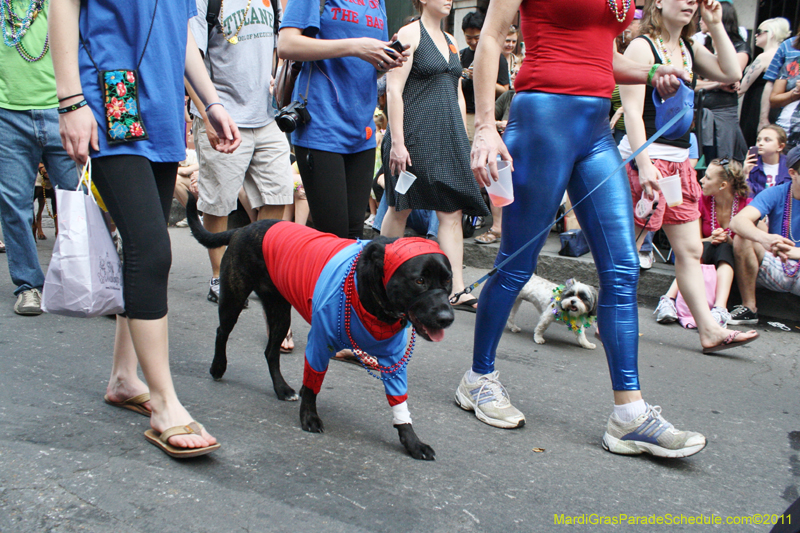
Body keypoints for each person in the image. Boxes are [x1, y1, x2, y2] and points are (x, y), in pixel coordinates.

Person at [460, 0, 738, 459]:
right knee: (517, 263)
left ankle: (629, 415)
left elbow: (599, 54)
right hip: (542, 117)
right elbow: (491, 36)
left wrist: (650, 74)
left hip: (593, 131)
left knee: (624, 267)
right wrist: (485, 126)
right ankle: (478, 378)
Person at [50, 0, 242, 457]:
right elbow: (63, 5)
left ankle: (123, 376)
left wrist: (210, 101)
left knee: (142, 249)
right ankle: (164, 403)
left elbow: (181, 39)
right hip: (108, 96)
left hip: (160, 111)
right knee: (153, 250)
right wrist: (70, 101)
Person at [620, 0, 757, 355]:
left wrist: (714, 24)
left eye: (695, 1)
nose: (690, 4)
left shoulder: (689, 47)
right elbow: (632, 112)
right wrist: (644, 164)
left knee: (692, 248)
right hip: (647, 159)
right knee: (628, 248)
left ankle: (709, 330)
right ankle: (614, 319)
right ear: (659, 2)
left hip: (679, 164)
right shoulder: (641, 45)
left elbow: (731, 72)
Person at [380, 0, 488, 313]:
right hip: (414, 135)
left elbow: (456, 93)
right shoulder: (409, 34)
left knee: (451, 210)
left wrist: (463, 139)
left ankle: (455, 288)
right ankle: (385, 271)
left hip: (448, 136)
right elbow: (393, 91)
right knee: (402, 205)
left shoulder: (453, 41)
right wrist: (398, 142)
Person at [187, 0, 292, 305]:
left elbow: (278, 47)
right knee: (218, 202)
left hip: (266, 115)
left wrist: (277, 78)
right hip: (223, 114)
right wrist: (206, 114)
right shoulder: (205, 2)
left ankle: (255, 268)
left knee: (279, 194)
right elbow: (189, 58)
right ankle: (221, 276)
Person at [277, 0, 406, 240]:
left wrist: (386, 58)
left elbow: (367, 64)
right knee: (332, 236)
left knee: (353, 234)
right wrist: (355, 47)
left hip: (362, 129)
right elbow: (286, 44)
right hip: (321, 123)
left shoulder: (378, 2)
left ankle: (346, 280)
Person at [0, 0, 80, 316]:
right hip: (8, 116)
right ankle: (28, 286)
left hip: (63, 110)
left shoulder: (59, 2)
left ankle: (80, 281)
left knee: (78, 200)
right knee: (14, 204)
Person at [654, 159, 751, 327]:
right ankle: (668, 300)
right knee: (700, 248)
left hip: (730, 257)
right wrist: (710, 239)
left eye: (707, 177)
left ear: (722, 185)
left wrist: (728, 239)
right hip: (702, 252)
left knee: (725, 249)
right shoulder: (701, 201)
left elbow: (752, 242)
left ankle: (720, 308)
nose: (701, 180)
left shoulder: (746, 205)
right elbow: (694, 240)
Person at [730, 145, 800, 321]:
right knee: (742, 237)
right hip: (776, 263)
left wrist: (794, 252)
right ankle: (749, 307)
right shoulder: (778, 192)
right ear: (793, 173)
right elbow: (737, 221)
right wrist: (765, 239)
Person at [694, 0, 749, 161]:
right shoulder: (702, 46)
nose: (700, 20)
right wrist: (717, 83)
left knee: (724, 160)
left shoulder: (740, 46)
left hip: (724, 113)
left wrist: (709, 80)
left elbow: (730, 74)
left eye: (705, 15)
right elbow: (693, 83)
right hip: (699, 111)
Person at [738, 18, 790, 148]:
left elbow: (742, 87)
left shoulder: (764, 57)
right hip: (775, 107)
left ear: (771, 33)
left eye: (760, 31)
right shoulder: (784, 55)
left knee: (751, 146)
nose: (756, 35)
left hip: (757, 106)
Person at [459, 11, 510, 142]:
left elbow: (504, 90)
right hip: (462, 112)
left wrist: (480, 77)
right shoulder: (460, 55)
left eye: (477, 37)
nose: (473, 41)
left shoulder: (497, 57)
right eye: (468, 37)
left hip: (485, 114)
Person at [742, 124, 791, 199]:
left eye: (767, 140)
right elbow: (747, 197)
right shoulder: (753, 166)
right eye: (758, 140)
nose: (760, 143)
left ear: (780, 146)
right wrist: (745, 174)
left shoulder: (790, 166)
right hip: (758, 208)